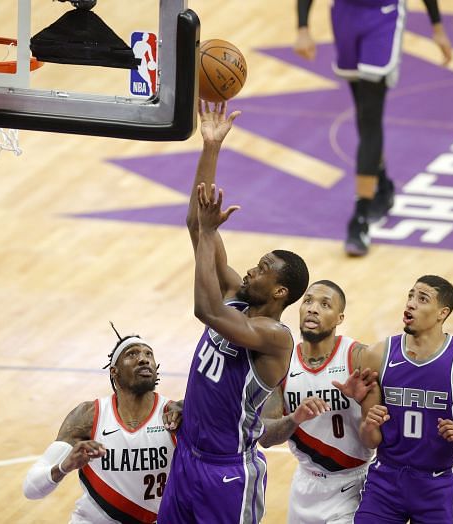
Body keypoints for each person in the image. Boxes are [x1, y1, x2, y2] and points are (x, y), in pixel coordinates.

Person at [157, 101, 310, 523]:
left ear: (280, 291)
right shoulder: (237, 292)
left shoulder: (275, 337)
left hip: (228, 472)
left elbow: (205, 309)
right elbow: (195, 224)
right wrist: (210, 147)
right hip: (188, 455)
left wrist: (210, 234)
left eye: (261, 269)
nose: (249, 269)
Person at [294, 0, 453, 256]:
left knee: (369, 118)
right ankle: (383, 185)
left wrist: (437, 26)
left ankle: (360, 217)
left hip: (383, 15)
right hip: (345, 14)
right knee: (362, 112)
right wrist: (302, 27)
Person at [353, 275, 453, 522]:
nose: (410, 304)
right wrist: (367, 420)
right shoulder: (377, 355)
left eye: (422, 299)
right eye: (410, 296)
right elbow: (370, 439)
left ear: (442, 313)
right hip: (385, 478)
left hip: (436, 486)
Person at [23, 329, 179, 524]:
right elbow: (31, 489)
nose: (143, 359)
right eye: (132, 354)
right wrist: (65, 466)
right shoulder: (89, 416)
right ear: (114, 371)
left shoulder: (174, 414)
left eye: (149, 354)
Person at [259, 280, 377, 523]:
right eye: (308, 301)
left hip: (354, 483)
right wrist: (295, 417)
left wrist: (361, 401)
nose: (313, 308)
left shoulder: (357, 356)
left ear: (339, 318)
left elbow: (381, 429)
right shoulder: (282, 362)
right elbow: (265, 437)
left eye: (325, 304)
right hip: (305, 483)